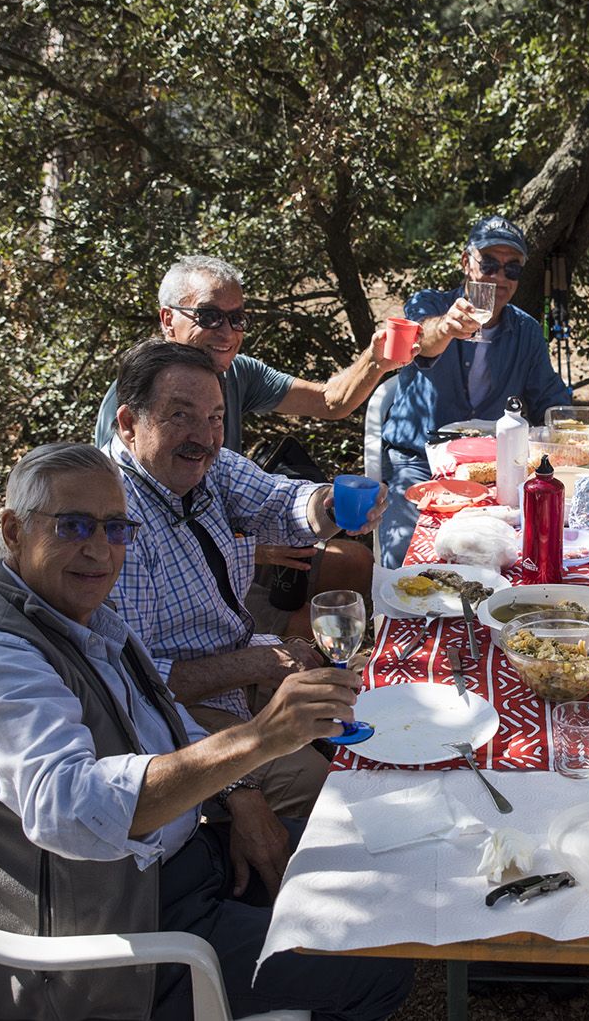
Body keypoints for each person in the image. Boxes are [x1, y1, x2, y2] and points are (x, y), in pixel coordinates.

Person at [0, 442, 412, 1021]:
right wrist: (259, 738)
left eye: (116, 528)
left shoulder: (68, 607)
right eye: (73, 526)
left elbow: (158, 718)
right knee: (379, 961)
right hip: (109, 937)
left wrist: (236, 793)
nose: (98, 549)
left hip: (178, 861)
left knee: (376, 856)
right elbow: (68, 808)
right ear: (14, 531)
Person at [107, 339, 388, 819]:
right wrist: (259, 664)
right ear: (130, 424)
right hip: (172, 720)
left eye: (215, 417)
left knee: (376, 706)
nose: (204, 435)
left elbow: (279, 501)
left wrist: (330, 504)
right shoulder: (113, 520)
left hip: (233, 669)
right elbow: (138, 685)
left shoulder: (202, 469)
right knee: (327, 790)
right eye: (181, 415)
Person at [94, 254, 399, 632]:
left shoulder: (234, 373)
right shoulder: (136, 400)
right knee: (312, 625)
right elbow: (138, 526)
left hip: (233, 539)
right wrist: (253, 552)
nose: (226, 332)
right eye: (209, 316)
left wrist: (377, 360)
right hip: (192, 566)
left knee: (355, 563)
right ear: (168, 320)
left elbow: (326, 404)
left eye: (237, 318)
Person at [378, 215, 572, 567]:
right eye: (489, 264)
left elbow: (551, 401)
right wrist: (447, 328)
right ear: (466, 263)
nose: (499, 277)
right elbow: (422, 340)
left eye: (511, 269)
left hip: (492, 468)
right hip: (419, 460)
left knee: (522, 550)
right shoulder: (429, 305)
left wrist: (576, 434)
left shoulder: (525, 330)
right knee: (406, 557)